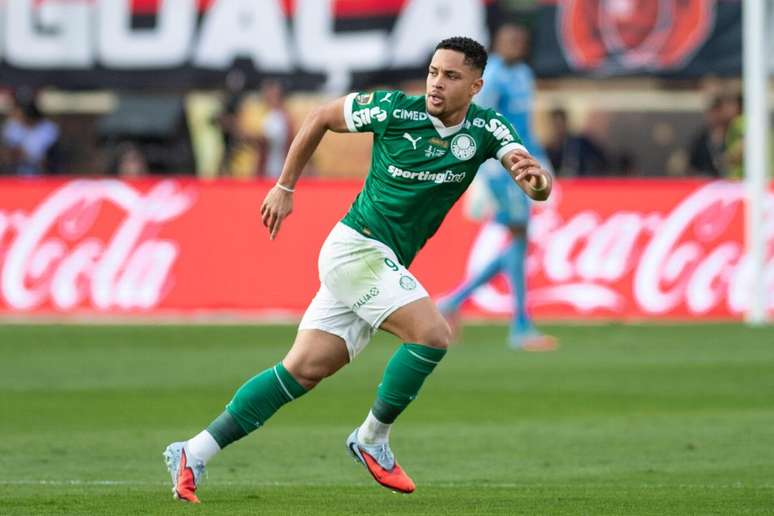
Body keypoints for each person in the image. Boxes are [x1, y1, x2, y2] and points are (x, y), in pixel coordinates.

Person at [163, 37, 552, 503]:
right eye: (433, 72)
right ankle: (371, 438)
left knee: (303, 369)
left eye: (450, 76)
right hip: (356, 248)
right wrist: (285, 186)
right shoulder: (393, 109)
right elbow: (320, 117)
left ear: (475, 85)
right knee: (432, 334)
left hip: (379, 262)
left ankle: (193, 450)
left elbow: (524, 168)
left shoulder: (488, 127)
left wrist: (537, 182)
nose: (436, 83)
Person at [437, 23, 556, 351]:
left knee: (519, 241)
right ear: (497, 44)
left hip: (524, 165)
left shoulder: (525, 75)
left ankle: (453, 302)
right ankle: (519, 326)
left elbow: (526, 126)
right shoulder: (494, 78)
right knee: (519, 237)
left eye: (520, 39)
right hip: (501, 168)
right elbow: (479, 120)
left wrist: (540, 161)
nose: (516, 44)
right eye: (509, 40)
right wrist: (483, 169)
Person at [0, 90, 60, 176]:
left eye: (18, 111)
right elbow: (7, 154)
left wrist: (28, 156)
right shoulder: (12, 126)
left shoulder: (48, 129)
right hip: (14, 175)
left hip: (43, 176)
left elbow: (48, 160)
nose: (14, 114)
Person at [545, 107, 609, 177]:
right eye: (556, 124)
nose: (559, 128)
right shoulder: (550, 149)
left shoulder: (579, 143)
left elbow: (599, 158)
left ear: (565, 123)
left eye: (560, 123)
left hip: (582, 181)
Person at [257, 80, 293, 179]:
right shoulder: (274, 115)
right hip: (274, 167)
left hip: (276, 168)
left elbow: (265, 142)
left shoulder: (280, 116)